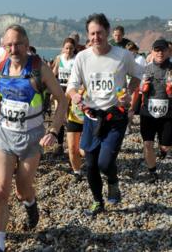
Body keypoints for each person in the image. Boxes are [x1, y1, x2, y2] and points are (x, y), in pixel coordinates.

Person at [0, 25, 67, 252]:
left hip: (32, 139)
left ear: (26, 44)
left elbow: (62, 100)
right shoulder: (0, 68)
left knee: (22, 189)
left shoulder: (39, 69)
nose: (14, 49)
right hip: (4, 136)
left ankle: (31, 204)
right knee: (0, 190)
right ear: (4, 46)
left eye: (18, 44)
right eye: (9, 45)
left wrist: (53, 131)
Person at [66, 13, 142, 216]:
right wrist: (74, 96)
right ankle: (98, 201)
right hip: (92, 117)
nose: (95, 37)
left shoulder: (122, 55)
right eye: (92, 33)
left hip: (115, 116)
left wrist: (128, 94)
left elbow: (137, 76)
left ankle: (113, 180)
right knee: (90, 164)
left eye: (99, 33)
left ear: (108, 32)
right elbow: (71, 86)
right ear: (87, 35)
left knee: (105, 162)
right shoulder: (82, 57)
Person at [136, 38, 172, 183]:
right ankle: (152, 171)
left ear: (168, 51)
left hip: (169, 112)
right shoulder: (145, 69)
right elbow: (136, 89)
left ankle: (164, 150)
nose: (160, 53)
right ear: (152, 52)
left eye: (162, 50)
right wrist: (142, 87)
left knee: (165, 145)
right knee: (147, 144)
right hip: (148, 112)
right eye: (157, 50)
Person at [52, 37, 77, 156]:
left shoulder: (76, 60)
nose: (68, 50)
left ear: (74, 49)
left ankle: (75, 143)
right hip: (60, 89)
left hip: (71, 90)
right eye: (66, 48)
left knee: (71, 117)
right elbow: (54, 73)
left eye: (71, 48)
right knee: (59, 117)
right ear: (63, 48)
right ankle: (60, 145)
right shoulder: (59, 58)